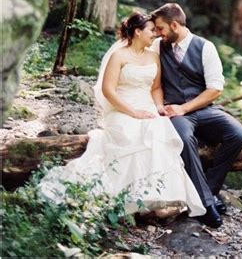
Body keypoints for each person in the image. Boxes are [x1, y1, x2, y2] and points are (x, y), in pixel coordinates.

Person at [39, 12, 205, 219]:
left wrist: (158, 108)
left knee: (157, 131)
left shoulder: (153, 56)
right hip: (122, 109)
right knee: (129, 133)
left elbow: (155, 88)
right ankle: (130, 198)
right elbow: (109, 91)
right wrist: (134, 112)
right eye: (151, 30)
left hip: (147, 108)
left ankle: (160, 197)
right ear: (137, 31)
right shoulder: (119, 56)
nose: (155, 34)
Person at [151, 3, 242, 229]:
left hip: (203, 109)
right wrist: (161, 107)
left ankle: (210, 191)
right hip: (174, 111)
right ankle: (205, 204)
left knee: (238, 135)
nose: (158, 33)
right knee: (184, 140)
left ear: (174, 24)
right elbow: (152, 81)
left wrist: (186, 108)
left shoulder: (205, 47)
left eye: (160, 28)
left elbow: (215, 88)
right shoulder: (158, 46)